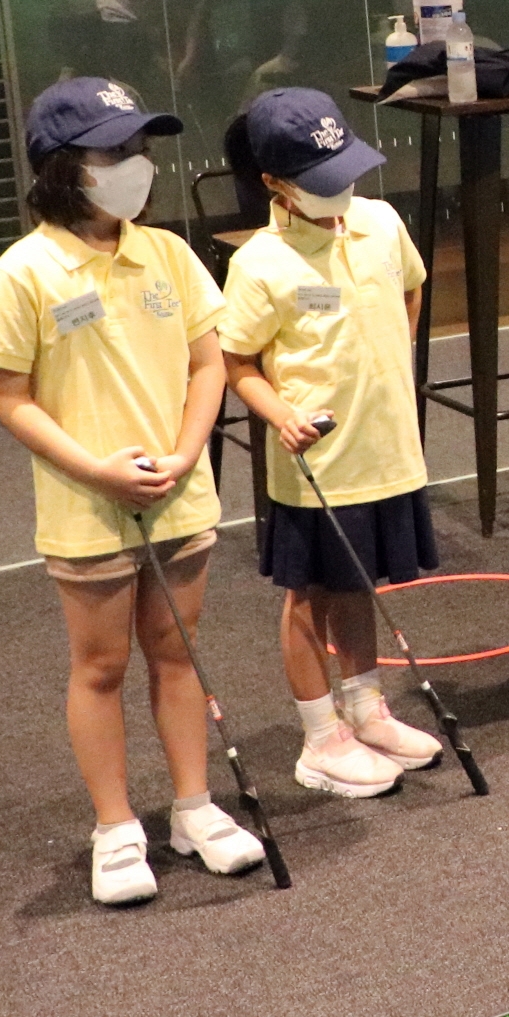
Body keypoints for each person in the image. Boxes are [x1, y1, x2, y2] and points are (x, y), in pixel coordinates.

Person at [0, 77, 255, 907]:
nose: (134, 165)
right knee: (100, 665)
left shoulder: (167, 253)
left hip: (179, 495)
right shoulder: (23, 272)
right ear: (62, 166)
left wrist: (188, 451)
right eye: (111, 152)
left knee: (178, 651)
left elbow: (208, 364)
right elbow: (8, 396)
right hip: (87, 508)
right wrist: (97, 470)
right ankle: (116, 826)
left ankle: (194, 808)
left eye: (138, 149)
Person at [218, 87, 445, 800]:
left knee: (359, 584)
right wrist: (279, 414)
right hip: (318, 463)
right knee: (308, 595)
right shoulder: (260, 262)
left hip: (387, 449)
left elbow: (412, 289)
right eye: (319, 180)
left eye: (344, 170)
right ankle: (320, 740)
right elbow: (237, 360)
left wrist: (391, 357)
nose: (340, 190)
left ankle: (366, 710)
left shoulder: (380, 223)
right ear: (274, 184)